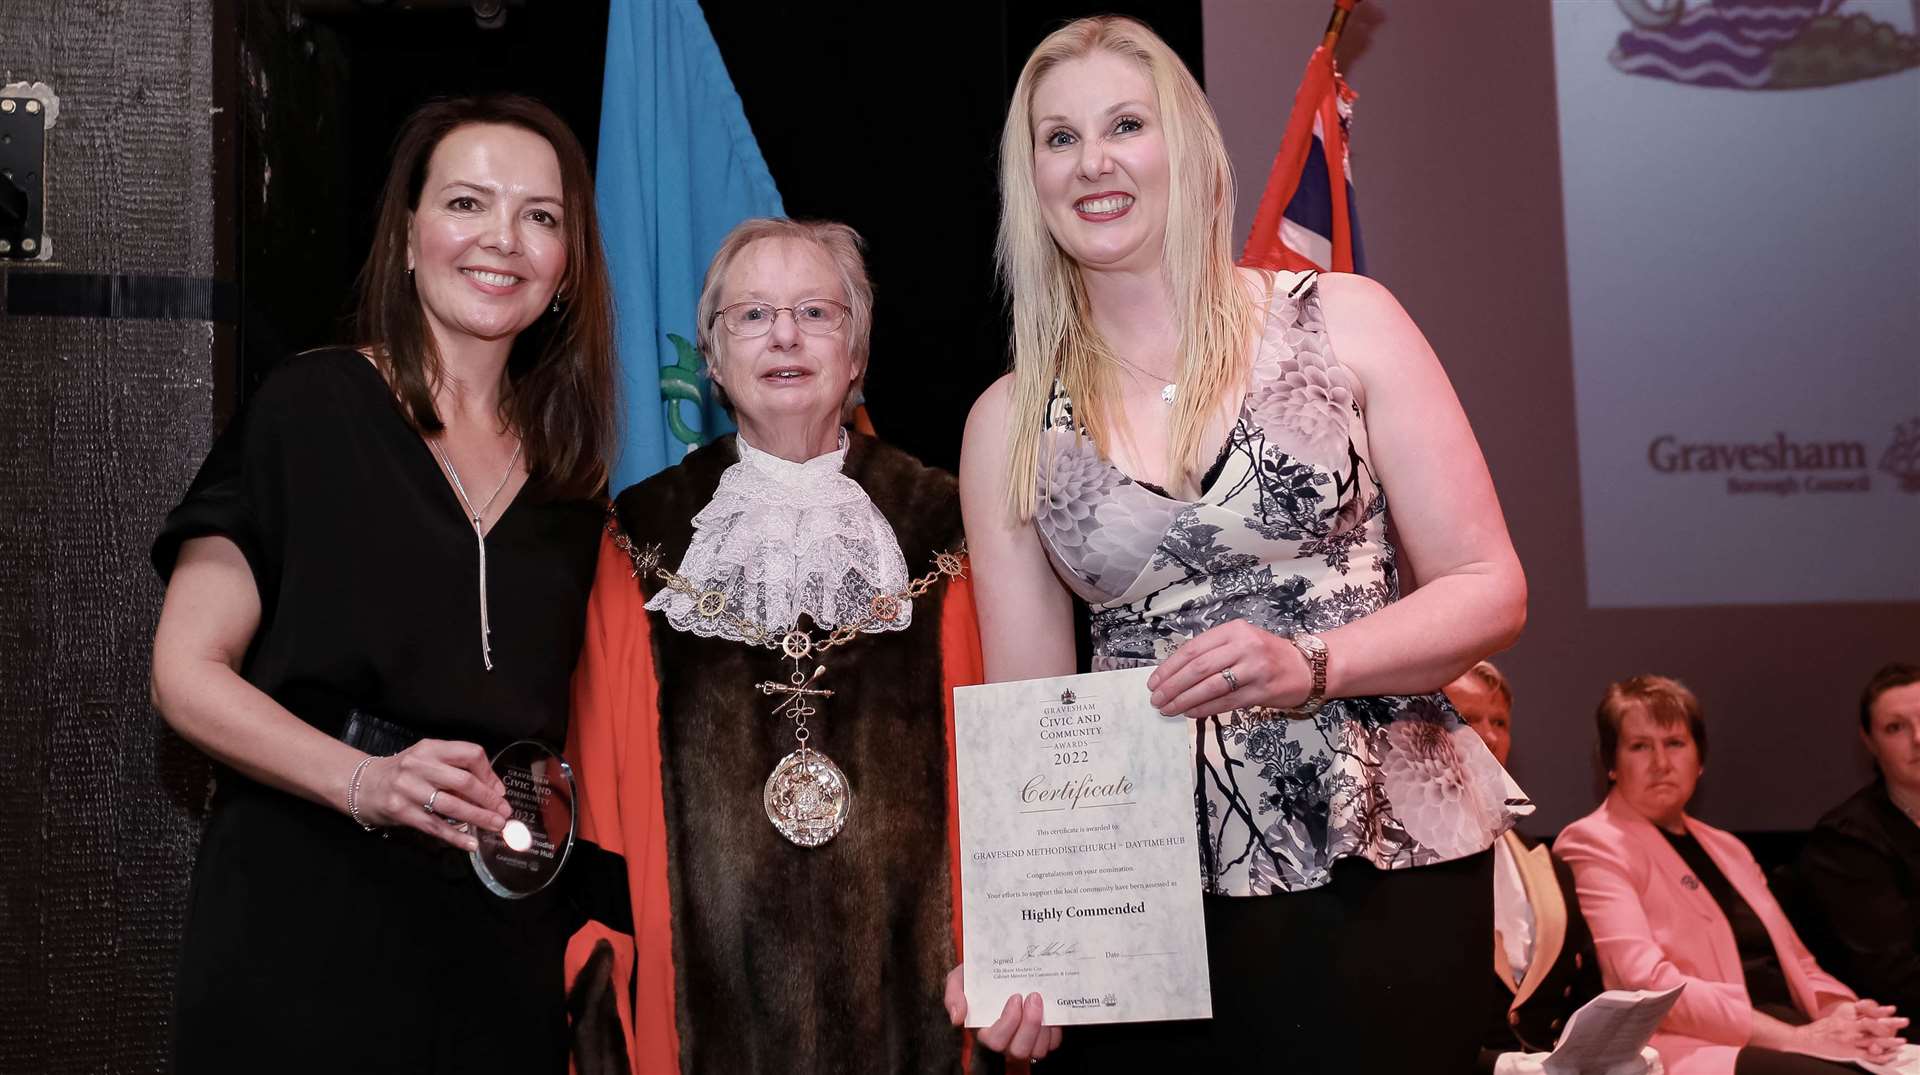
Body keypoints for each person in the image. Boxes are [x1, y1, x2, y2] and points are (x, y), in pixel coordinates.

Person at [953, 16, 1530, 1071]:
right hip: (1147, 901)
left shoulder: (1348, 322)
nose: (1093, 163)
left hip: (1385, 853)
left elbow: (1491, 586)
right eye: (1058, 138)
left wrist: (1313, 664)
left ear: (1186, 142)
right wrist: (1021, 941)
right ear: (1027, 175)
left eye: (1125, 124)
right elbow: (1037, 721)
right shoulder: (1010, 418)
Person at [148, 95, 616, 1073]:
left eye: (541, 215)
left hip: (495, 955)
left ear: (568, 263)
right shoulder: (310, 406)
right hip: (303, 931)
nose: (503, 239)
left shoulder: (576, 484)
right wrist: (364, 781)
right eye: (467, 203)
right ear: (407, 237)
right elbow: (186, 672)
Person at [561, 218, 985, 1075]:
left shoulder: (953, 527)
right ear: (712, 361)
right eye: (751, 315)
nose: (784, 335)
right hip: (697, 1016)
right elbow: (598, 802)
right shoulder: (634, 537)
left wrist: (1020, 957)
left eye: (816, 313)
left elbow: (1004, 776)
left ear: (857, 355)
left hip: (927, 1001)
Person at [1555, 675, 1909, 1075]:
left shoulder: (1727, 847)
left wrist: (1847, 1014)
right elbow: (1645, 983)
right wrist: (1797, 1039)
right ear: (1612, 764)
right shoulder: (1593, 842)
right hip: (1690, 1045)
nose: (1660, 763)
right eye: (1639, 746)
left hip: (1781, 1026)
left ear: (1699, 759)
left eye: (1675, 743)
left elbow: (1798, 962)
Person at [1444, 662, 1612, 1072]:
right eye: (1467, 719)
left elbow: (1581, 993)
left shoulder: (1548, 864)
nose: (1489, 735)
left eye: (1499, 721)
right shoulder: (1394, 862)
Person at [1797, 662, 1920, 1019]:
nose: (1918, 738)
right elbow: (1894, 980)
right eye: (1896, 727)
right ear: (1869, 742)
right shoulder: (1846, 841)